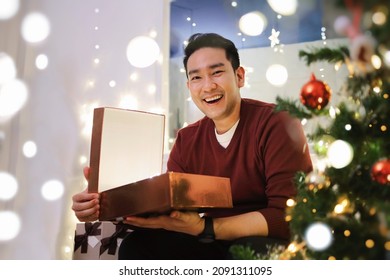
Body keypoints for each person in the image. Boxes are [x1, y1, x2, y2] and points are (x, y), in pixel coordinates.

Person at [72, 33, 313, 259]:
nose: (207, 86)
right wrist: (102, 203)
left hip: (265, 241)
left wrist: (206, 227)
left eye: (217, 72)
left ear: (239, 76)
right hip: (211, 240)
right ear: (189, 86)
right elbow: (170, 203)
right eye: (196, 77)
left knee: (251, 251)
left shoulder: (278, 122)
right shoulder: (188, 138)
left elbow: (289, 216)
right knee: (139, 245)